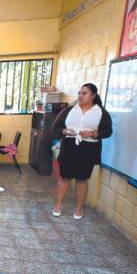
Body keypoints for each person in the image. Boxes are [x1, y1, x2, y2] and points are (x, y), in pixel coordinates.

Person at [52, 83, 113, 219]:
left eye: (84, 93)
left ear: (93, 96)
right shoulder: (69, 110)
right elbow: (55, 127)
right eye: (79, 93)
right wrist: (64, 131)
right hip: (69, 147)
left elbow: (108, 131)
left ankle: (78, 209)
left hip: (88, 149)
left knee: (82, 179)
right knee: (65, 178)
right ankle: (58, 205)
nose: (80, 96)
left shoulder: (101, 112)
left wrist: (93, 134)